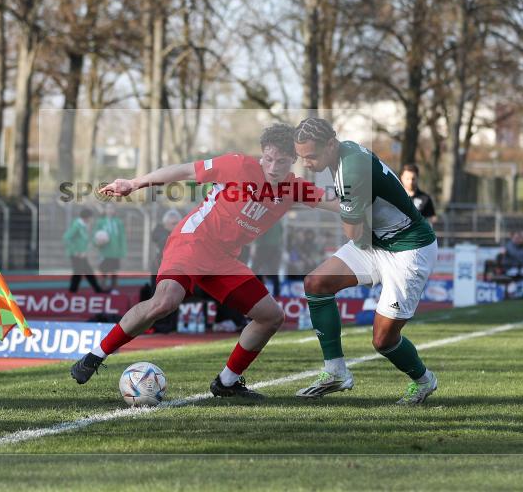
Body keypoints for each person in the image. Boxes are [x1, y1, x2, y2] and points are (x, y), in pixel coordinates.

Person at [71, 124, 331, 399]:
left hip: (225, 259)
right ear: (262, 154)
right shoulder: (238, 165)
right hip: (193, 241)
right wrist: (134, 183)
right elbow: (184, 171)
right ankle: (94, 357)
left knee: (271, 317)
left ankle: (227, 382)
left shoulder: (295, 188)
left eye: (281, 161)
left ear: (293, 160)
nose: (273, 166)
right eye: (268, 158)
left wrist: (369, 204)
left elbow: (340, 203)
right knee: (164, 302)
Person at [292, 117, 439, 404]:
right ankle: (335, 372)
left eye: (311, 156)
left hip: (409, 248)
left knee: (383, 341)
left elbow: (353, 231)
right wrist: (317, 198)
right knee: (316, 283)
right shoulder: (342, 154)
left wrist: (313, 198)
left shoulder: (352, 168)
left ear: (330, 144)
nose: (306, 163)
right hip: (377, 240)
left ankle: (424, 380)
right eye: (302, 157)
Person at [63, 208, 104, 294]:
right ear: (87, 218)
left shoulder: (84, 226)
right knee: (79, 273)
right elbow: (66, 238)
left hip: (82, 255)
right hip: (76, 255)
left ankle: (97, 290)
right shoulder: (76, 226)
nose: (92, 219)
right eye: (91, 217)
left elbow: (87, 240)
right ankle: (72, 292)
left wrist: (97, 243)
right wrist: (75, 251)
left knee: (87, 272)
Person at [93, 203, 127, 292]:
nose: (110, 210)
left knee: (114, 270)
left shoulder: (118, 222)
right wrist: (97, 242)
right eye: (108, 208)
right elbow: (95, 235)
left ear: (114, 210)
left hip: (115, 251)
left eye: (112, 208)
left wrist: (122, 251)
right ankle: (102, 287)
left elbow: (122, 237)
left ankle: (113, 288)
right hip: (104, 251)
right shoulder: (100, 222)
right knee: (103, 269)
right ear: (105, 210)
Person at [251, 221, 284, 296]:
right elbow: (281, 233)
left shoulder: (266, 219)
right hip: (276, 248)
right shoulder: (278, 221)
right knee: (274, 271)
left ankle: (251, 290)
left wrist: (255, 246)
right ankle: (277, 293)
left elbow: (260, 233)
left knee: (254, 269)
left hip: (264, 246)